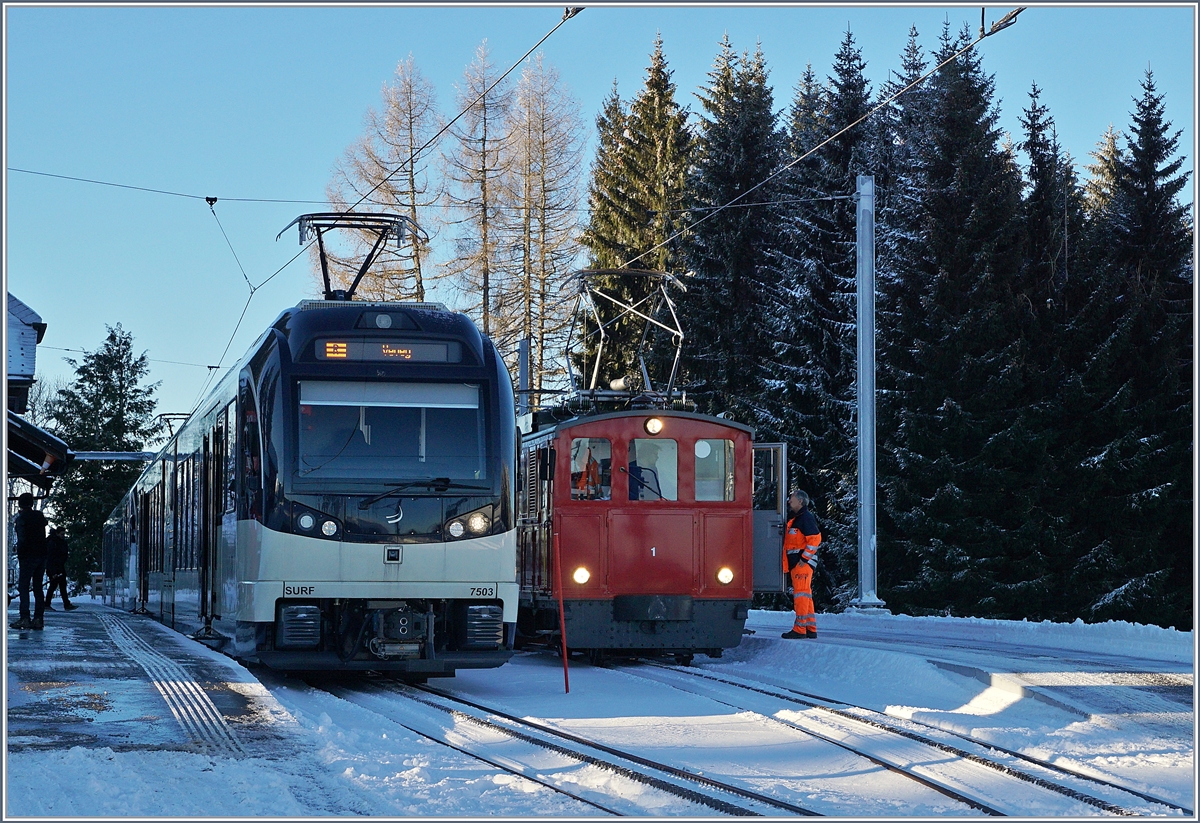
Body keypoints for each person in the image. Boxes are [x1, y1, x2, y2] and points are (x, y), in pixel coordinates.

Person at [781, 490, 821, 639]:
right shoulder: (799, 518)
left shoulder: (805, 518)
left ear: (801, 502)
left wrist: (804, 559)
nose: (789, 501)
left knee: (801, 595)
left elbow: (815, 539)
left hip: (802, 563)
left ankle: (799, 629)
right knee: (805, 594)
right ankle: (810, 628)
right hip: (799, 562)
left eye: (792, 499)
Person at [10, 492, 48, 631]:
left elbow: (22, 539)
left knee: (24, 586)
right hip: (42, 554)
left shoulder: (21, 519)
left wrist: (20, 552)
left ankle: (25, 617)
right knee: (38, 587)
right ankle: (38, 619)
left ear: (20, 504)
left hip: (28, 556)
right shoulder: (39, 517)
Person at [44, 527, 77, 612]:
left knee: (61, 586)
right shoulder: (53, 543)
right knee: (54, 586)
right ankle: (49, 604)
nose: (63, 536)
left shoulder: (59, 542)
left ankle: (64, 604)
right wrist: (53, 571)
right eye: (62, 534)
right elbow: (50, 558)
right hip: (54, 568)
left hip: (59, 567)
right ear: (57, 533)